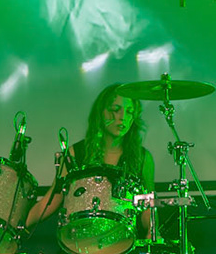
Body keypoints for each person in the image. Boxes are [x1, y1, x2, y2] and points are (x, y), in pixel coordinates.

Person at [26, 83, 157, 231]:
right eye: (115, 110)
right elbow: (53, 198)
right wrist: (18, 229)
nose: (122, 117)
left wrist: (152, 231)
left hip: (123, 238)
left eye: (130, 112)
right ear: (100, 113)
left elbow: (148, 207)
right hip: (81, 235)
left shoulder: (142, 158)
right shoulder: (75, 153)